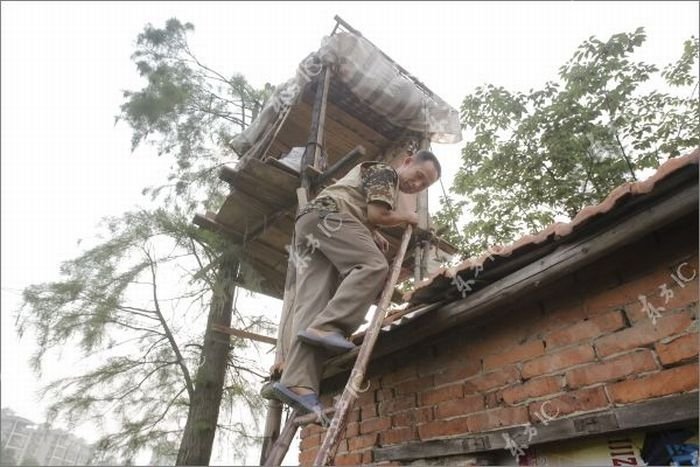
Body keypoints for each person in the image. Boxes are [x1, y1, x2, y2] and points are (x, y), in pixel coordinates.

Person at [268, 150, 441, 414]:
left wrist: (372, 231)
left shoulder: (377, 179)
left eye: (424, 185)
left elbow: (367, 214)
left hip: (312, 225)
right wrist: (406, 218)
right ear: (406, 163)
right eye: (418, 176)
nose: (416, 185)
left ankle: (297, 383)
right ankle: (331, 325)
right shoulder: (386, 172)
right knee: (373, 265)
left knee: (313, 304)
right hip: (329, 216)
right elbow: (376, 214)